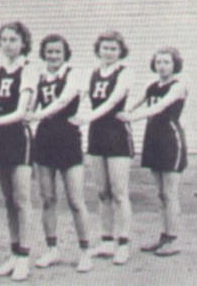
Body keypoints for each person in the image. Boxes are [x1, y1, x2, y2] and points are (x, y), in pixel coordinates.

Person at [24, 34, 92, 272]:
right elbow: (31, 105)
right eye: (49, 52)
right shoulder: (39, 76)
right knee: (48, 198)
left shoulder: (74, 74)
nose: (53, 56)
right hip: (44, 138)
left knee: (75, 200)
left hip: (68, 137)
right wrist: (25, 115)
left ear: (65, 54)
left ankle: (85, 251)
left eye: (58, 52)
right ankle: (52, 249)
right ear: (44, 54)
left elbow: (63, 101)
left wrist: (36, 115)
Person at [69, 30, 135, 265]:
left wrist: (87, 118)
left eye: (113, 49)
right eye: (105, 48)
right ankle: (106, 241)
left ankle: (123, 243)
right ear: (99, 50)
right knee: (102, 192)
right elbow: (77, 95)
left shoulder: (125, 73)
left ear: (120, 51)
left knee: (119, 192)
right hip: (96, 135)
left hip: (116, 134)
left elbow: (113, 100)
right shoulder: (92, 73)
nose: (108, 52)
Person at [116, 46, 188, 257]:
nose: (162, 66)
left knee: (170, 193)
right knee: (160, 194)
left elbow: (159, 108)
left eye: (166, 62)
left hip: (170, 139)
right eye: (158, 62)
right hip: (153, 139)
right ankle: (163, 236)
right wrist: (122, 113)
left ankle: (174, 239)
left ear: (175, 64)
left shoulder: (179, 85)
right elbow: (134, 105)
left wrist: (131, 118)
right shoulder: (151, 85)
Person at [0, 21, 37, 281]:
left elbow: (20, 112)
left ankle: (24, 257)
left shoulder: (27, 70)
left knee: (21, 200)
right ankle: (14, 251)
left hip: (19, 137)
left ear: (23, 43)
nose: (8, 44)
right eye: (4, 39)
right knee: (8, 200)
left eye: (13, 40)